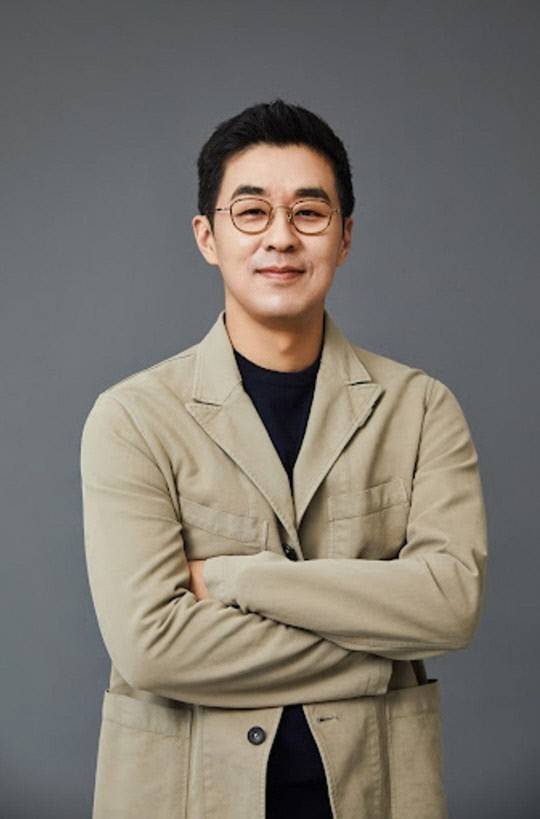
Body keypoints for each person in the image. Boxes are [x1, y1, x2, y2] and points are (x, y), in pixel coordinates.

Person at [80, 98, 488, 819]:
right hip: (184, 796)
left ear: (345, 235)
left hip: (377, 792)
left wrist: (236, 578)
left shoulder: (422, 409)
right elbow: (152, 648)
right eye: (251, 212)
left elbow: (450, 606)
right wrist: (380, 647)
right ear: (207, 237)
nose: (281, 237)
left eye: (309, 212)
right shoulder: (132, 418)